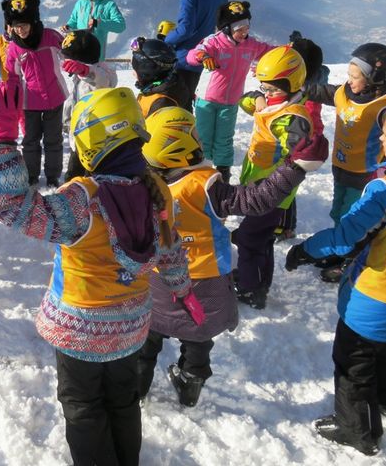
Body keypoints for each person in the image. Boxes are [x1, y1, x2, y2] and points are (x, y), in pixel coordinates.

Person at [0, 84, 192, 466]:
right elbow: (170, 248)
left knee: (84, 406)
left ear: (88, 143)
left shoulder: (82, 199)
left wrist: (2, 140)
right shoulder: (158, 188)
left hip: (81, 330)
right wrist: (183, 287)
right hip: (130, 327)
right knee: (123, 400)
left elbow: (14, 208)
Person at [285, 91, 386, 456]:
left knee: (353, 362)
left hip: (374, 298)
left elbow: (345, 237)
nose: (382, 139)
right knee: (379, 345)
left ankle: (358, 431)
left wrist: (306, 250)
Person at [137, 107, 327, 406]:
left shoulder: (141, 183)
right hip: (204, 282)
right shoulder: (202, 186)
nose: (200, 138)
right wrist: (296, 167)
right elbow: (256, 200)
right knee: (198, 337)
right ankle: (190, 385)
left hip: (160, 280)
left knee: (148, 338)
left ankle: (136, 389)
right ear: (181, 147)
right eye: (194, 134)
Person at [233, 46, 312, 309]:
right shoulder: (273, 104)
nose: (267, 93)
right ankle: (258, 280)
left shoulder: (290, 115)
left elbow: (297, 143)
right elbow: (247, 99)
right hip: (262, 186)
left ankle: (250, 288)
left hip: (271, 190)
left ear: (292, 84)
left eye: (273, 89)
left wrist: (292, 138)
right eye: (264, 87)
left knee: (248, 238)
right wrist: (259, 99)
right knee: (262, 237)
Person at [303, 43, 386, 226]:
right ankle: (339, 233)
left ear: (373, 78)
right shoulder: (345, 93)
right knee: (337, 209)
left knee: (350, 212)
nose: (349, 80)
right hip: (340, 163)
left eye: (355, 77)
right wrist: (299, 88)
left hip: (362, 171)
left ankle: (348, 246)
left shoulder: (382, 105)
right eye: (349, 75)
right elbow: (322, 91)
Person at [186, 1, 278, 183]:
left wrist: (287, 50)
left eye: (246, 28)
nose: (244, 33)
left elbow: (269, 52)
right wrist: (203, 56)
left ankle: (223, 175)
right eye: (239, 29)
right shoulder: (214, 42)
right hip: (207, 101)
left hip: (230, 102)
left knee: (224, 140)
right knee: (203, 138)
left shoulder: (250, 45)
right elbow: (192, 55)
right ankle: (200, 174)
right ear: (227, 28)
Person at [2, 0, 67, 187]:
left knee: (53, 139)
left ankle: (53, 175)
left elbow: (67, 53)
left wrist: (77, 62)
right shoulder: (14, 48)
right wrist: (11, 97)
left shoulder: (50, 36)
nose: (20, 30)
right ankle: (31, 174)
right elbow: (12, 75)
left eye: (24, 25)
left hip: (55, 97)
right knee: (31, 140)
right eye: (16, 26)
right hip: (29, 101)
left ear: (34, 21)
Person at [274, 31, 330, 242]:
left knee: (286, 182)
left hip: (299, 141)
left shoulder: (303, 90)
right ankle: (284, 224)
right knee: (287, 182)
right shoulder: (318, 77)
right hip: (303, 137)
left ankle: (284, 227)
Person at [163, 0, 228, 112]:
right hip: (205, 54)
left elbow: (185, 29)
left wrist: (165, 41)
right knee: (189, 99)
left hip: (184, 57)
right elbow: (223, 25)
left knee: (176, 104)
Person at [59, 29, 118, 181]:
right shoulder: (76, 78)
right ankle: (71, 196)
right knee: (73, 175)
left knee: (94, 176)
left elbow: (105, 81)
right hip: (78, 137)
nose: (65, 62)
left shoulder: (102, 71)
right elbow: (72, 101)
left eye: (69, 58)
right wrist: (66, 121)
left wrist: (86, 71)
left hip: (96, 138)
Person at [61, 0, 126, 60]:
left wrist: (100, 23)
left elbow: (121, 26)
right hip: (78, 56)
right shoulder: (79, 3)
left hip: (96, 59)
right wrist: (68, 26)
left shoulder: (109, 5)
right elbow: (73, 21)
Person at [129, 37, 182, 118]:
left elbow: (150, 130)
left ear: (146, 71)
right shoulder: (154, 89)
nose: (133, 74)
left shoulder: (162, 103)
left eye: (135, 70)